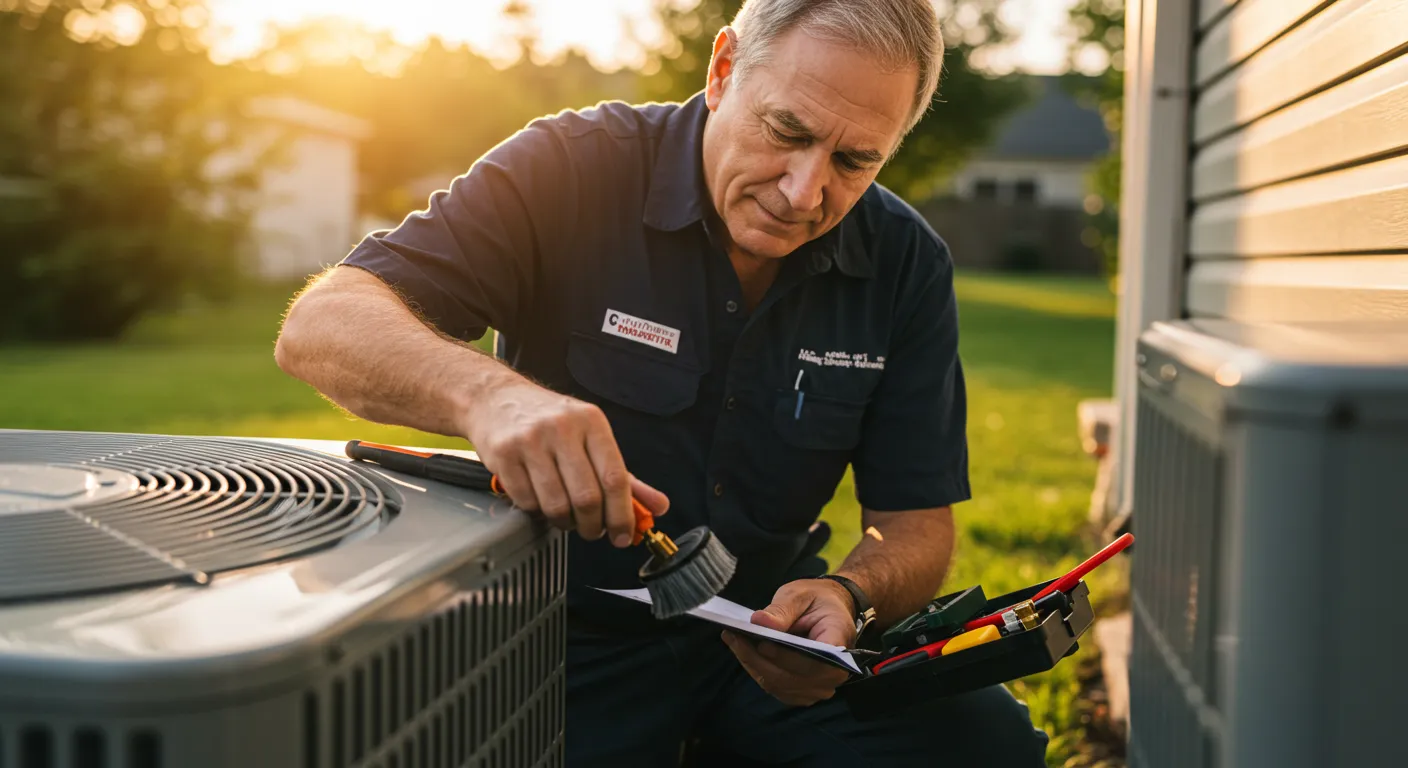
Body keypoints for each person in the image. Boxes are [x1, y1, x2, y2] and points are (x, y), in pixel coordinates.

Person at [275, 0, 1050, 764]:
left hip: (764, 640)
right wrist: (492, 398)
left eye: (855, 161)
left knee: (991, 746)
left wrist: (853, 595)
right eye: (787, 132)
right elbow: (322, 325)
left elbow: (913, 524)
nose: (804, 192)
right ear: (722, 71)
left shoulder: (906, 263)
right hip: (560, 628)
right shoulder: (573, 167)